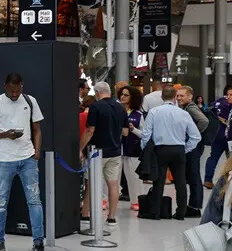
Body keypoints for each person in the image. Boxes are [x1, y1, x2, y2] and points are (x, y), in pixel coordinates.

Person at [0, 72, 47, 251]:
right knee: (1, 201)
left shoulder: (30, 101)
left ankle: (38, 242)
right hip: (4, 159)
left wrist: (36, 152)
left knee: (34, 200)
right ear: (5, 86)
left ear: (22, 86)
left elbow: (37, 129)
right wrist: (4, 134)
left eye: (17, 91)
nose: (14, 94)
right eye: (11, 91)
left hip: (27, 158)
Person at [140, 84, 200, 220]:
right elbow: (196, 136)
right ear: (174, 97)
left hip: (160, 150)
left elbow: (146, 134)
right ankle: (180, 213)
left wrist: (145, 149)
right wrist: (185, 149)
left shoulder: (154, 112)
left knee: (158, 182)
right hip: (178, 149)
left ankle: (154, 212)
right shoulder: (184, 114)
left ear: (162, 97)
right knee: (180, 183)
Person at [80, 82, 127, 225]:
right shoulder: (120, 107)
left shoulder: (96, 106)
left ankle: (85, 214)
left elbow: (90, 130)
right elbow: (125, 132)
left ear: (97, 92)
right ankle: (112, 217)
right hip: (115, 151)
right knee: (113, 185)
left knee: (90, 183)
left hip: (97, 152)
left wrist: (80, 148)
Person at [178, 85, 209, 217]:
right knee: (191, 175)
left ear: (190, 97)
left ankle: (195, 207)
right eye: (177, 95)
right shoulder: (184, 108)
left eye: (182, 95)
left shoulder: (190, 108)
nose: (179, 98)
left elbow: (204, 120)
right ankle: (192, 205)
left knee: (194, 175)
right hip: (192, 145)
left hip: (193, 146)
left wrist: (194, 133)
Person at [118, 85, 145, 213]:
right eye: (121, 94)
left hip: (133, 150)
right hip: (116, 149)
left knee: (134, 177)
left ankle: (137, 201)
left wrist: (133, 129)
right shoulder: (116, 111)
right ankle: (105, 200)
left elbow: (144, 134)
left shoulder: (138, 115)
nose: (122, 97)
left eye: (126, 95)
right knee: (112, 177)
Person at [205, 85, 232, 188]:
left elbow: (210, 109)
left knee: (213, 158)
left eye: (231, 95)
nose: (229, 97)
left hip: (218, 135)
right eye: (228, 94)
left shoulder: (218, 102)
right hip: (227, 138)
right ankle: (226, 182)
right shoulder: (227, 106)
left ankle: (208, 180)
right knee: (229, 160)